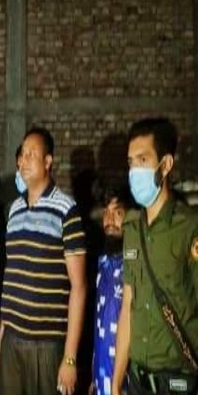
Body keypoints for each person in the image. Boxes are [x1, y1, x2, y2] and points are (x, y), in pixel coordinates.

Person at [0, 126, 87, 395]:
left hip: (48, 346)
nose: (23, 161)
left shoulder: (66, 210)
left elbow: (79, 287)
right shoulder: (14, 210)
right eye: (22, 155)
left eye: (31, 155)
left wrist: (70, 358)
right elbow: (12, 278)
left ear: (48, 161)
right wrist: (1, 339)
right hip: (12, 341)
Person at [112, 118, 198, 395]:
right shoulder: (132, 228)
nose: (135, 171)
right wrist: (115, 382)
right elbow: (128, 306)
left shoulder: (189, 227)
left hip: (178, 382)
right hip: (138, 380)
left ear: (166, 164)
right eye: (131, 162)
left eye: (143, 160)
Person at [90, 186, 135, 395]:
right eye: (105, 213)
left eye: (117, 213)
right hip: (101, 373)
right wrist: (94, 375)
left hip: (127, 377)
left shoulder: (135, 263)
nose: (109, 221)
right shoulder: (103, 262)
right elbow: (99, 320)